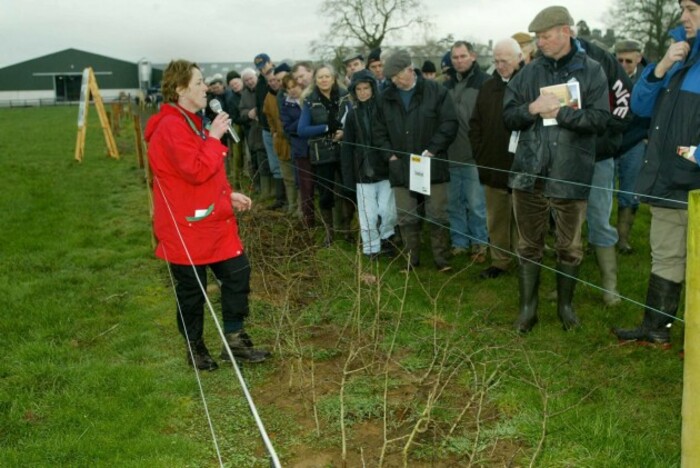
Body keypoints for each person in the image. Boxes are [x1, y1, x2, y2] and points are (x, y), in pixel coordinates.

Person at [145, 60, 269, 370]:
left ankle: (235, 339)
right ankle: (196, 348)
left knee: (237, 272)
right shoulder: (171, 127)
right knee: (192, 291)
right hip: (185, 225)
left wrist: (229, 196)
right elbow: (196, 170)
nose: (206, 88)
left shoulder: (193, 121)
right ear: (180, 89)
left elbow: (208, 171)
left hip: (211, 219)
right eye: (199, 83)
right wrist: (214, 137)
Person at [503, 6, 610, 333]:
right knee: (528, 245)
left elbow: (601, 120)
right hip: (529, 172)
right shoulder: (529, 72)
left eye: (546, 36)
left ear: (565, 31)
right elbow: (508, 115)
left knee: (569, 246)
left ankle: (565, 307)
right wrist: (532, 108)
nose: (541, 42)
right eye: (537, 37)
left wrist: (562, 113)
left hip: (571, 172)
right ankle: (528, 310)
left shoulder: (592, 70)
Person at [613, 0, 700, 346]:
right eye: (682, 9)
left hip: (694, 184)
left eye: (692, 8)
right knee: (665, 254)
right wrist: (661, 66)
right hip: (666, 180)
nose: (683, 17)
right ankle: (655, 330)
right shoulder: (680, 57)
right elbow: (639, 106)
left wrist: (694, 155)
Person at [373, 49, 458, 272]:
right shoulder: (385, 98)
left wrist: (432, 150)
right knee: (406, 216)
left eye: (397, 77)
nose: (393, 82)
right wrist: (389, 155)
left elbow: (449, 123)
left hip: (433, 163)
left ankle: (442, 259)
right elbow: (378, 131)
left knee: (437, 213)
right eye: (391, 78)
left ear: (410, 70)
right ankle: (411, 259)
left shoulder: (436, 91)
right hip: (400, 165)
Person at [469, 38, 524, 279]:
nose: (500, 65)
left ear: (518, 58)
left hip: (523, 166)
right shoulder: (488, 87)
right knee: (497, 219)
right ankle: (500, 261)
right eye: (496, 61)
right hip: (492, 164)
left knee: (524, 220)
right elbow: (476, 125)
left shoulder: (528, 84)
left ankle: (527, 262)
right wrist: (481, 155)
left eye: (505, 61)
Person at [340, 69, 397, 259]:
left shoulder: (384, 111)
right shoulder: (351, 116)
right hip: (362, 172)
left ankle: (387, 239)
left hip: (384, 169)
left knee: (387, 211)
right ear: (354, 92)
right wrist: (348, 178)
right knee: (368, 214)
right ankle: (371, 248)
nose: (363, 92)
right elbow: (346, 148)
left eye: (367, 88)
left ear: (373, 88)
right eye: (359, 89)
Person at [444, 41, 490, 263]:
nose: (459, 61)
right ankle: (459, 242)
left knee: (476, 204)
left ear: (473, 56)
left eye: (463, 56)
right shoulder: (446, 85)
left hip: (474, 155)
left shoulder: (485, 83)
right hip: (450, 154)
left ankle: (480, 243)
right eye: (455, 57)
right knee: (454, 204)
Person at [297, 64, 352, 245]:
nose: (324, 80)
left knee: (347, 191)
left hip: (344, 150)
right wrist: (326, 127)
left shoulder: (345, 96)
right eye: (320, 77)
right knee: (326, 194)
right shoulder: (310, 101)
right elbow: (302, 129)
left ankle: (348, 230)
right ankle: (330, 233)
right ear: (315, 80)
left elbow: (352, 119)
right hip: (321, 154)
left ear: (334, 78)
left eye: (327, 76)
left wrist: (344, 132)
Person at [613, 39, 650, 254]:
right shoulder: (608, 75)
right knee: (601, 192)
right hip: (610, 142)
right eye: (619, 60)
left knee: (629, 193)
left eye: (628, 60)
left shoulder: (649, 78)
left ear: (638, 57)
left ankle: (623, 239)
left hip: (635, 142)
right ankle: (600, 239)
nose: (624, 65)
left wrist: (647, 136)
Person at [254, 53, 287, 210]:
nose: (262, 70)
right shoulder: (260, 83)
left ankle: (289, 200)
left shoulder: (280, 79)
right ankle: (280, 199)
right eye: (259, 68)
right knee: (275, 164)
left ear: (270, 63)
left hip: (282, 131)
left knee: (286, 164)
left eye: (264, 66)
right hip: (267, 129)